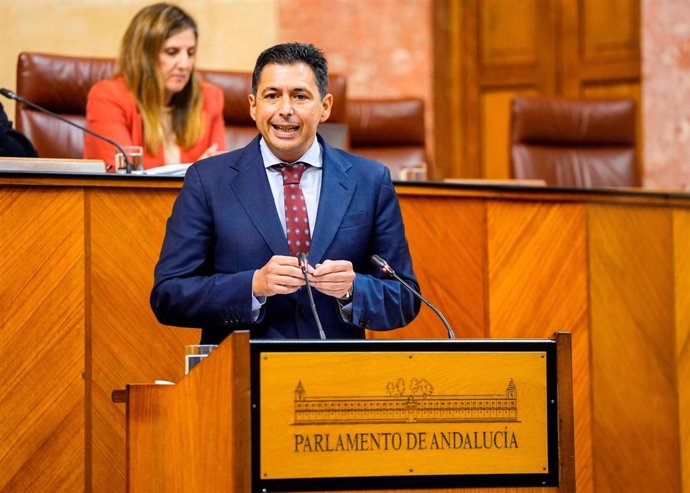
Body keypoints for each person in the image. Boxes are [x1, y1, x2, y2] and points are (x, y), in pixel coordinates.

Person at [150, 42, 420, 343]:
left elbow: (405, 298)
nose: (285, 110)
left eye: (300, 96)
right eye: (272, 96)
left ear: (325, 106)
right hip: (240, 374)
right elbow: (169, 296)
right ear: (253, 106)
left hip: (336, 375)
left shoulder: (370, 180)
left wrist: (353, 290)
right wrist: (252, 285)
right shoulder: (208, 181)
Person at [84, 3, 226, 170]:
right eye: (172, 52)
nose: (185, 64)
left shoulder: (209, 97)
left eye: (190, 53)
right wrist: (196, 176)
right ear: (143, 56)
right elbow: (121, 178)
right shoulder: (108, 97)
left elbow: (221, 176)